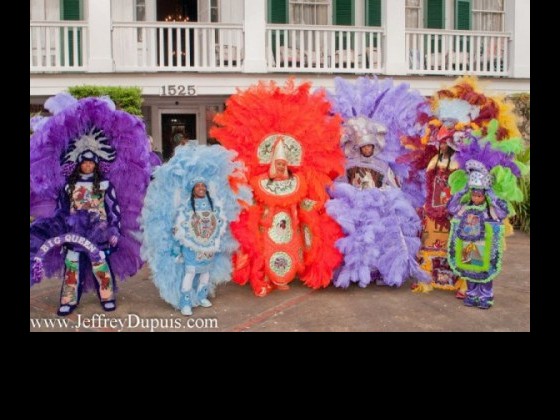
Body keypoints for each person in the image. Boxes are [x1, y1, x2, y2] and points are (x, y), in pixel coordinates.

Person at [210, 79, 345, 297]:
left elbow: (305, 201)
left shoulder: (298, 181)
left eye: (284, 163)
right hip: (266, 225)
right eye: (278, 163)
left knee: (292, 250)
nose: (281, 166)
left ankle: (285, 277)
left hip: (290, 224)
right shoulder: (260, 181)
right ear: (272, 162)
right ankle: (264, 276)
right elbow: (250, 198)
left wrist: (310, 205)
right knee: (263, 250)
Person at [30, 93, 152, 316]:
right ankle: (68, 300)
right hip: (74, 233)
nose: (87, 166)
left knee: (100, 266)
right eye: (84, 163)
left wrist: (114, 230)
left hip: (100, 232)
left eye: (91, 163)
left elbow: (114, 210)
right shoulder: (68, 187)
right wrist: (59, 231)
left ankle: (106, 297)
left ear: (96, 164)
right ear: (78, 165)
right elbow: (61, 211)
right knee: (72, 268)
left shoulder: (105, 185)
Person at [326, 77, 430, 289]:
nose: (366, 150)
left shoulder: (382, 166)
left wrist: (386, 195)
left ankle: (379, 269)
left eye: (369, 147)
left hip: (380, 208)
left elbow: (391, 186)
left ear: (375, 147)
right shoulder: (349, 164)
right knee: (356, 239)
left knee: (383, 236)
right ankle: (354, 270)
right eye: (363, 147)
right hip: (355, 209)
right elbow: (340, 186)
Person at [141, 142, 250, 315]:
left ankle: (201, 296)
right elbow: (179, 225)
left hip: (209, 244)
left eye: (203, 186)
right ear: (192, 190)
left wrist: (217, 238)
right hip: (191, 245)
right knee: (190, 272)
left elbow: (219, 221)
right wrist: (178, 245)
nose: (201, 188)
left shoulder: (213, 204)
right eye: (197, 186)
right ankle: (185, 301)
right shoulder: (185, 205)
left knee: (206, 272)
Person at [446, 133, 525, 309]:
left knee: (484, 271)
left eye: (479, 194)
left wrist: (490, 194)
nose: (476, 197)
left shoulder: (490, 209)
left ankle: (485, 296)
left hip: (485, 246)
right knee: (470, 269)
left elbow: (502, 212)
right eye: (474, 193)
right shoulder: (465, 206)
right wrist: (462, 191)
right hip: (468, 245)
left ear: (484, 194)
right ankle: (472, 293)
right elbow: (451, 209)